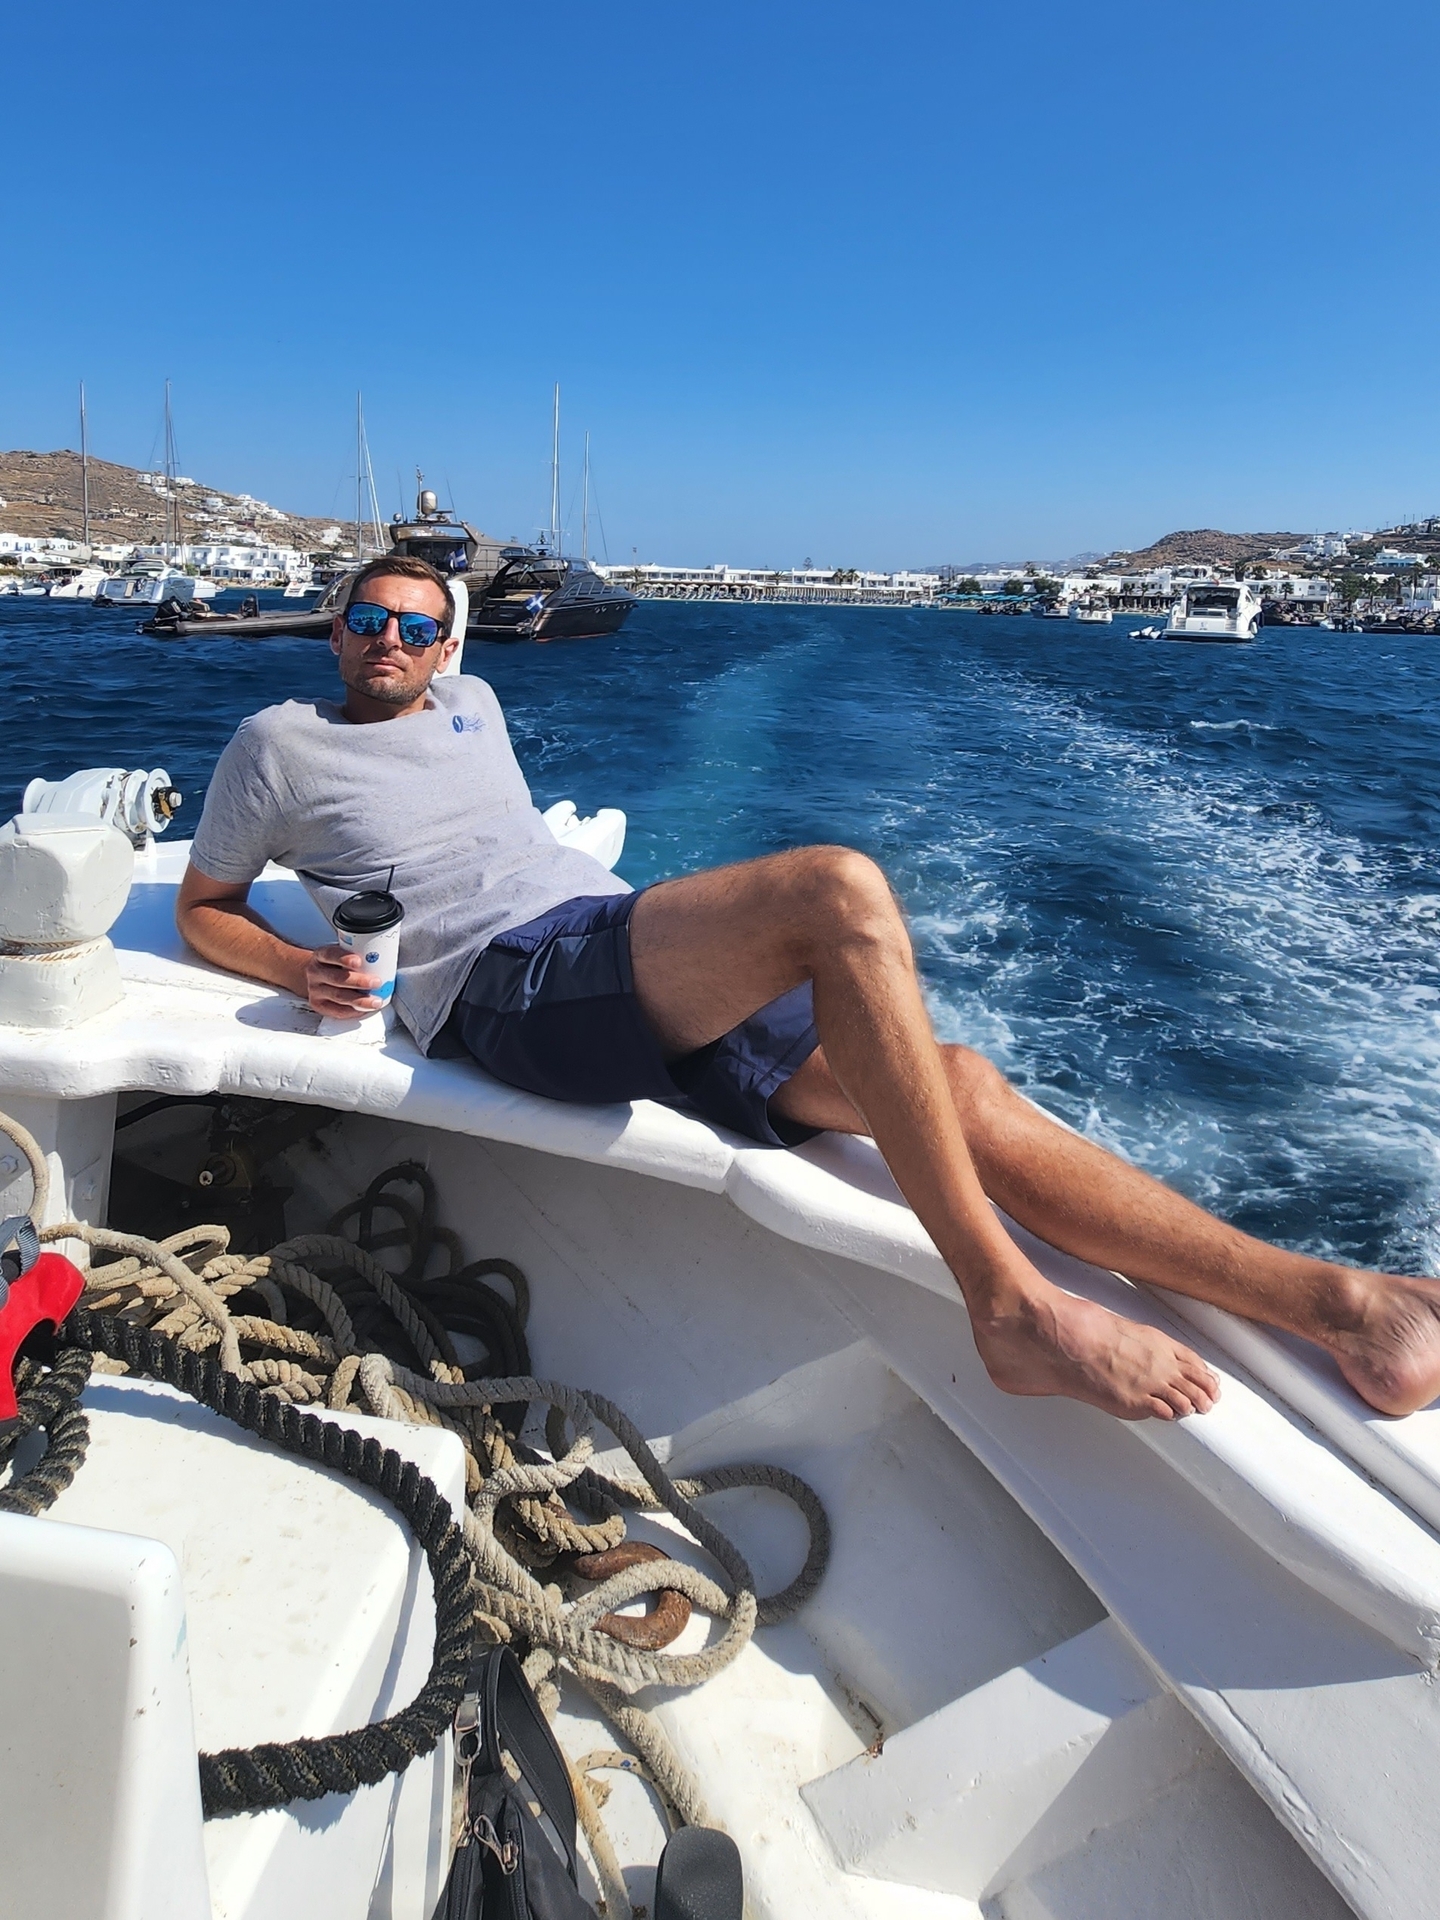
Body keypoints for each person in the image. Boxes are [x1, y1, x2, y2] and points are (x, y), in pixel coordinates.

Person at [178, 555, 1440, 1427]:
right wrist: (299, 967)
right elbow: (203, 906)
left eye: (417, 626)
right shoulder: (278, 746)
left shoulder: (475, 699)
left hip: (608, 942)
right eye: (368, 620)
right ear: (333, 629)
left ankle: (1342, 1306)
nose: (390, 642)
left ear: (450, 644)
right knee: (835, 892)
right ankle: (1008, 1305)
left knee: (956, 1084)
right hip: (499, 984)